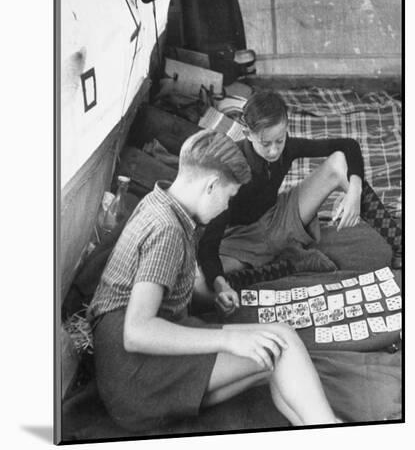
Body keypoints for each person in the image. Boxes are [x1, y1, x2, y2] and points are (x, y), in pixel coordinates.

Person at [87, 129, 339, 431]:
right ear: (211, 186)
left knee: (269, 361)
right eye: (229, 196)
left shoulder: (159, 202)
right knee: (282, 341)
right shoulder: (167, 229)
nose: (226, 207)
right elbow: (137, 331)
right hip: (135, 369)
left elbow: (163, 286)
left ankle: (324, 427)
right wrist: (229, 339)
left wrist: (213, 294)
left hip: (121, 382)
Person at [197, 90, 400, 316]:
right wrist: (220, 284)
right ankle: (289, 264)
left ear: (286, 129)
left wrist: (354, 190)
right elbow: (208, 246)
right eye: (266, 144)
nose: (274, 150)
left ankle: (399, 243)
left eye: (280, 141)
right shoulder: (231, 165)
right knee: (200, 286)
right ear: (248, 133)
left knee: (339, 163)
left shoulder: (288, 147)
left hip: (280, 217)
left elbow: (348, 146)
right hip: (240, 239)